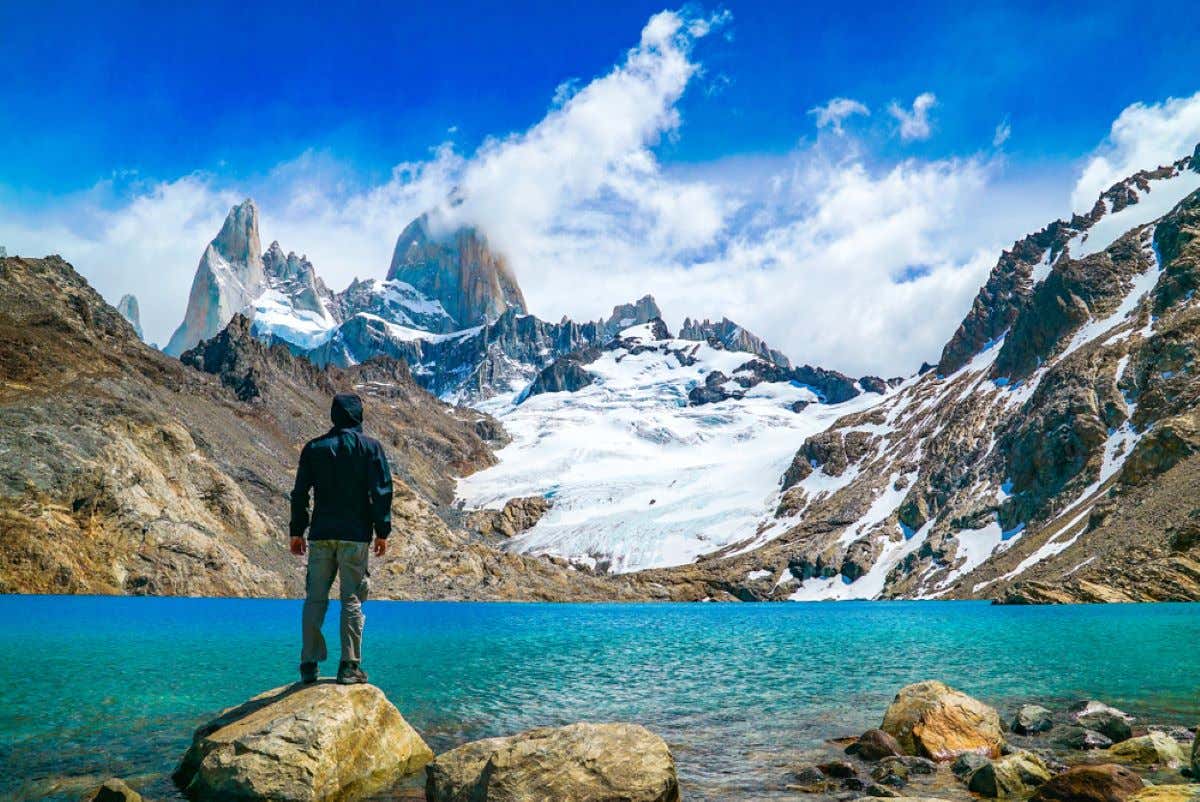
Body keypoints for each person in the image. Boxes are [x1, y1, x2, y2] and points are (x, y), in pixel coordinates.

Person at [289, 392, 392, 685]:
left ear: (333, 415)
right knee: (351, 600)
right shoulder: (371, 448)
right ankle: (349, 667)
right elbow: (382, 492)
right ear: (359, 415)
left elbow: (300, 494)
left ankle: (308, 665)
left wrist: (297, 531)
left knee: (315, 599)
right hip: (355, 536)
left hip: (321, 534)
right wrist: (382, 532)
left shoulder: (314, 448)